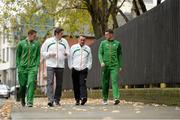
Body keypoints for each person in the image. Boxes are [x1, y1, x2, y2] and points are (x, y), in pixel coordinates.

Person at [41, 28, 70, 107]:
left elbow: (68, 51)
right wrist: (49, 54)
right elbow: (42, 52)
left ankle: (57, 100)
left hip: (60, 65)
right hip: (50, 64)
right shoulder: (48, 41)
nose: (62, 35)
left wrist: (66, 54)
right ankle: (50, 100)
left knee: (59, 83)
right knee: (50, 82)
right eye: (61, 34)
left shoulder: (64, 42)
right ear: (56, 34)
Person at [16, 29, 40, 107]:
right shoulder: (21, 43)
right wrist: (19, 66)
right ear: (29, 35)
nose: (35, 37)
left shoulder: (36, 44)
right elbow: (18, 56)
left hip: (32, 68)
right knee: (22, 85)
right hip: (22, 68)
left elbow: (38, 56)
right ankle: (22, 98)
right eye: (34, 36)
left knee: (31, 83)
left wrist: (36, 66)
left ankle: (30, 101)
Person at [98, 29, 122, 105]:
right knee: (105, 82)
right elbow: (100, 53)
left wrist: (120, 65)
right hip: (105, 66)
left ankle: (116, 98)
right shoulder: (103, 43)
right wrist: (101, 62)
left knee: (114, 81)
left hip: (114, 65)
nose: (105, 36)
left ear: (111, 34)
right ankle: (105, 99)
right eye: (105, 34)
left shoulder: (117, 43)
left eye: (107, 34)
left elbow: (120, 55)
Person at [68, 35, 92, 105]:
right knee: (76, 85)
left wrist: (88, 67)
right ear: (78, 40)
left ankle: (84, 97)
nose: (82, 41)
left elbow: (90, 59)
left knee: (82, 83)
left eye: (84, 40)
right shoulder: (73, 47)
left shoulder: (88, 48)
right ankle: (77, 99)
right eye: (81, 40)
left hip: (84, 69)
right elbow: (70, 58)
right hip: (75, 69)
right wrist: (71, 67)